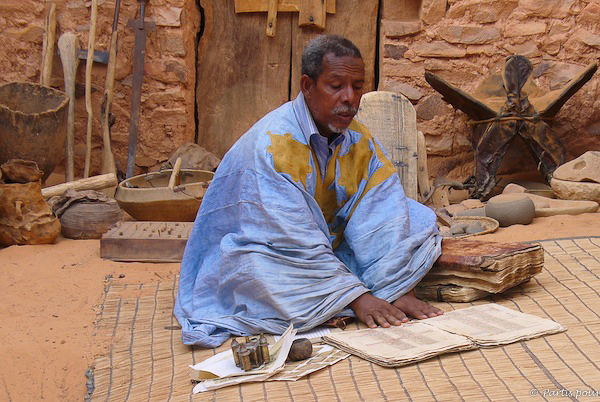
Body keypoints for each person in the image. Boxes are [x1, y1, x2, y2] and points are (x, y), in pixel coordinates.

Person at [175, 34, 443, 348]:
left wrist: (399, 286)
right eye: (336, 86)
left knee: (417, 218)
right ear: (307, 87)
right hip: (267, 247)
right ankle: (339, 294)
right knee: (255, 272)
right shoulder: (275, 145)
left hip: (322, 243)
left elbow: (380, 206)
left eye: (357, 87)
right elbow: (287, 237)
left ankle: (351, 291)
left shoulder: (358, 138)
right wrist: (358, 298)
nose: (349, 98)